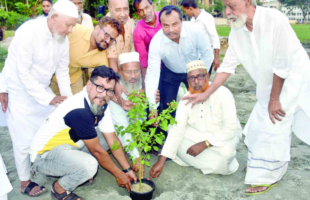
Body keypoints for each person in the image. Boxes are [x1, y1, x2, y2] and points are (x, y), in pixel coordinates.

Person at [182, 0, 310, 196]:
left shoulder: (274, 19)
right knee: (259, 121)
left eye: (232, 6)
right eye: (226, 7)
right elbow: (227, 67)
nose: (227, 12)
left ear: (248, 1)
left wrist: (274, 100)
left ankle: (268, 176)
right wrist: (206, 93)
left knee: (274, 123)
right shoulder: (237, 32)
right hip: (270, 84)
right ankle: (259, 166)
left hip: (294, 79)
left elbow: (282, 66)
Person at [0, 0, 78, 197]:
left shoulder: (63, 39)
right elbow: (22, 73)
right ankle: (25, 181)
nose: (70, 30)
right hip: (18, 91)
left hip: (42, 90)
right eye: (68, 25)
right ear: (53, 18)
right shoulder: (28, 32)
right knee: (22, 139)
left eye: (72, 26)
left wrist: (67, 101)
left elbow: (62, 72)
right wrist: (49, 99)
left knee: (50, 128)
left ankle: (51, 166)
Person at [30, 66, 137, 200]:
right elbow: (97, 151)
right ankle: (59, 189)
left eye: (109, 90)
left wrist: (127, 170)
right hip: (44, 156)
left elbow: (112, 139)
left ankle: (76, 169)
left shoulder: (101, 104)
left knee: (106, 140)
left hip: (68, 147)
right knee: (90, 165)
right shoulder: (79, 109)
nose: (103, 94)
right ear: (88, 85)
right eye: (100, 87)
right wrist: (119, 174)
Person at [149, 60, 242, 179]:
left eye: (200, 76)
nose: (196, 81)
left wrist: (205, 144)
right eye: (191, 78)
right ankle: (204, 159)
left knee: (225, 154)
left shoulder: (223, 93)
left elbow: (230, 128)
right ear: (187, 81)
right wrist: (161, 162)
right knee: (173, 130)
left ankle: (199, 159)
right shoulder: (186, 99)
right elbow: (177, 129)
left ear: (207, 76)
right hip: (195, 134)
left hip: (223, 134)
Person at [145, 5, 213, 119]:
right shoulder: (156, 42)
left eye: (175, 24)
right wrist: (152, 106)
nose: (171, 30)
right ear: (160, 24)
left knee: (200, 102)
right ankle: (169, 133)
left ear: (181, 21)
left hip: (194, 70)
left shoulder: (195, 31)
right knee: (167, 108)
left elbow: (207, 54)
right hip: (170, 72)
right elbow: (152, 74)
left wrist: (201, 76)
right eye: (166, 25)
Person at [108, 52, 160, 175]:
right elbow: (122, 125)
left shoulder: (144, 83)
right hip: (114, 127)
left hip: (136, 128)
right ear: (120, 71)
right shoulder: (114, 91)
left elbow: (143, 116)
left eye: (136, 71)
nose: (133, 76)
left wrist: (154, 101)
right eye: (128, 72)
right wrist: (135, 156)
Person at [50, 16, 122, 95]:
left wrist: (121, 100)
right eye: (106, 35)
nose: (108, 41)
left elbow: (105, 81)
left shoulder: (102, 56)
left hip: (73, 78)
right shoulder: (75, 30)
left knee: (77, 104)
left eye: (112, 39)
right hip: (50, 74)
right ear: (97, 28)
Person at [180, 0, 221, 73]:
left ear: (190, 8)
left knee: (203, 81)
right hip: (194, 57)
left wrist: (216, 58)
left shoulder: (207, 17)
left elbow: (214, 37)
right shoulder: (192, 20)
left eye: (185, 11)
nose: (185, 13)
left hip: (205, 57)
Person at [133, 0, 162, 90]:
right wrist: (145, 86)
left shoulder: (164, 16)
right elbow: (143, 59)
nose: (145, 13)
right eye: (140, 10)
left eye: (147, 8)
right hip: (156, 67)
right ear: (138, 13)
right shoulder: (138, 31)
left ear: (152, 6)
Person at [107, 0, 134, 73]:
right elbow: (113, 62)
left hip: (127, 71)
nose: (123, 14)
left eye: (125, 9)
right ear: (110, 9)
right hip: (112, 75)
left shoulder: (128, 19)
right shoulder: (107, 29)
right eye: (118, 10)